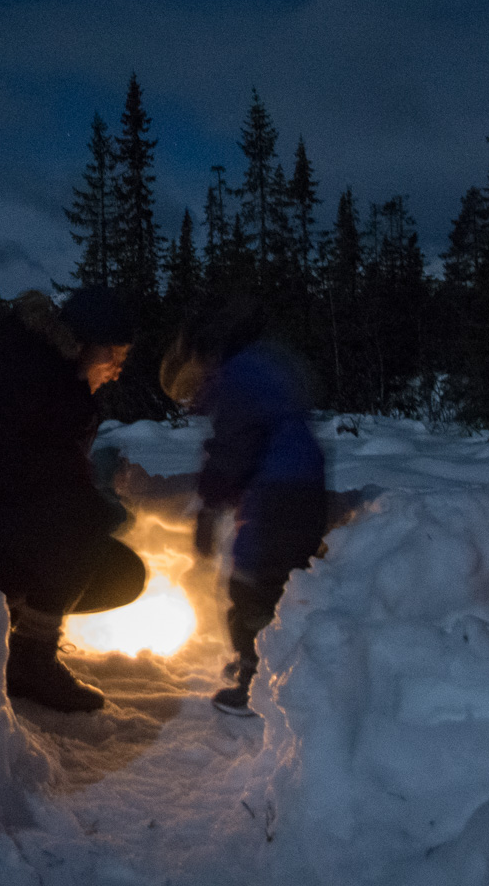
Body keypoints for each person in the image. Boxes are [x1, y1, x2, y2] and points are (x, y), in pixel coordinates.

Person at [0, 287, 144, 713]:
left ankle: (14, 626)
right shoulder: (21, 377)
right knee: (87, 522)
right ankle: (31, 660)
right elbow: (14, 475)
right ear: (84, 343)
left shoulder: (57, 386)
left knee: (121, 572)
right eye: (115, 356)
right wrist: (91, 503)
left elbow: (42, 477)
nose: (117, 371)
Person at [160, 299, 327, 715]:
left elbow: (231, 451)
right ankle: (270, 663)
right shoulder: (259, 363)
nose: (194, 401)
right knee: (275, 582)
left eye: (191, 389)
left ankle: (256, 680)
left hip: (279, 493)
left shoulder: (237, 379)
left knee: (251, 584)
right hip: (302, 486)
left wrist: (210, 506)